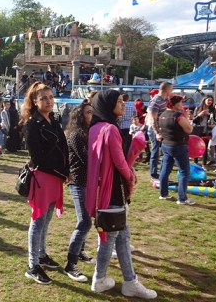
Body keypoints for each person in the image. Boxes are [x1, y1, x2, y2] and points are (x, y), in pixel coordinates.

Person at [85, 90, 156, 299]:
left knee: (122, 237)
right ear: (108, 105)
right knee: (109, 239)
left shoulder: (95, 128)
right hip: (113, 191)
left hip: (101, 190)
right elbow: (119, 162)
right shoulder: (111, 129)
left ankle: (130, 281)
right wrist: (130, 175)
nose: (123, 105)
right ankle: (99, 280)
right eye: (118, 102)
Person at [20, 82, 69, 285]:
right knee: (38, 220)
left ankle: (41, 254)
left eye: (50, 97)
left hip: (56, 176)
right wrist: (60, 171)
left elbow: (63, 146)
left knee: (46, 219)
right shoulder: (32, 124)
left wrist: (66, 171)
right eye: (44, 98)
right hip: (42, 177)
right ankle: (33, 265)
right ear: (34, 101)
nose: (49, 101)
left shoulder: (54, 120)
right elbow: (37, 156)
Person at [64, 101, 95, 283]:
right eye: (88, 112)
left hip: (88, 182)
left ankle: (81, 251)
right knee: (84, 222)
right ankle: (70, 263)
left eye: (92, 112)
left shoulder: (88, 133)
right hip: (78, 182)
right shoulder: (76, 134)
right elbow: (86, 159)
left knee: (85, 219)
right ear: (80, 116)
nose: (92, 115)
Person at [158, 95, 195, 205]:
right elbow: (189, 129)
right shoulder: (177, 116)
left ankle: (163, 194)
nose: (182, 104)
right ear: (174, 104)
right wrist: (187, 118)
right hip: (178, 146)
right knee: (184, 172)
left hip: (166, 145)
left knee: (165, 170)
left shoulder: (163, 115)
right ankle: (182, 198)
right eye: (180, 102)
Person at [146, 82, 173, 181]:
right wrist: (157, 133)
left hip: (164, 129)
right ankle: (154, 175)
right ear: (167, 90)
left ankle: (163, 174)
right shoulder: (155, 101)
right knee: (156, 151)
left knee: (166, 152)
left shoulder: (165, 100)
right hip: (155, 130)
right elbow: (153, 119)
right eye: (171, 89)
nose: (172, 91)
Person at [192, 94, 216, 168]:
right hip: (198, 130)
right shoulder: (198, 108)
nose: (210, 102)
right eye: (208, 100)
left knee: (204, 147)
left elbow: (215, 121)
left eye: (211, 100)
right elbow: (194, 121)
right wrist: (200, 115)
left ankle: (204, 165)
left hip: (207, 131)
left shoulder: (213, 110)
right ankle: (195, 162)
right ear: (204, 100)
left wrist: (209, 115)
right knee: (195, 146)